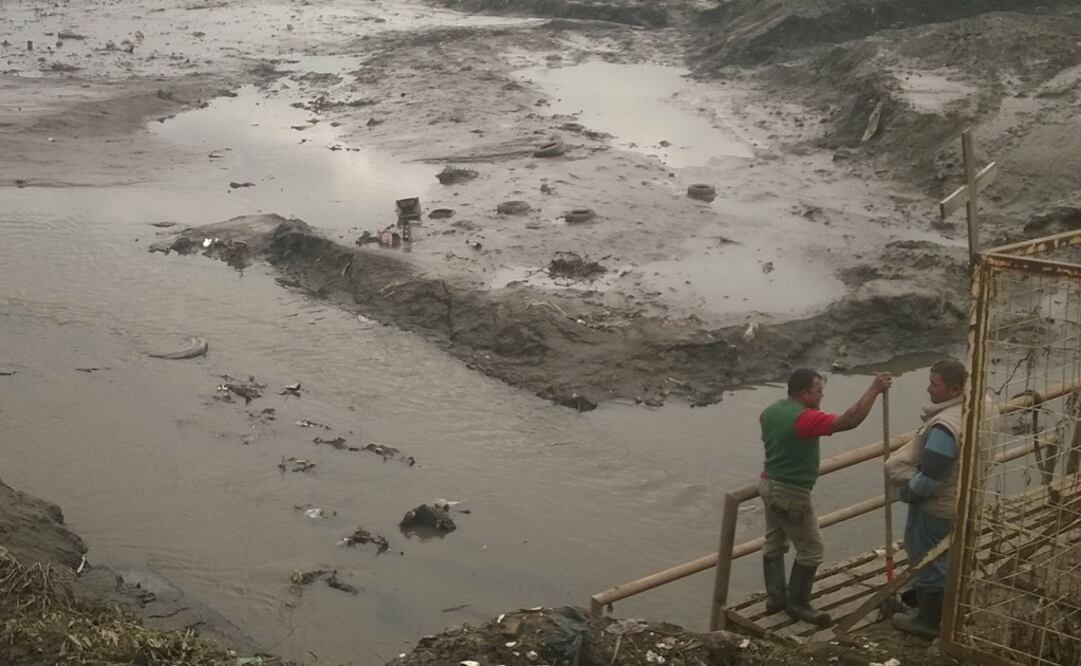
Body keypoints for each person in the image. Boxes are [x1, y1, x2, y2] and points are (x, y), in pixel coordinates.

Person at [759, 368, 893, 625]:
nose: (822, 396)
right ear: (803, 394)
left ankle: (775, 598)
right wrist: (874, 390)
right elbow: (850, 419)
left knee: (775, 541)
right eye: (818, 392)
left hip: (768, 484)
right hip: (791, 491)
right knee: (811, 549)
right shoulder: (806, 419)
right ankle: (798, 604)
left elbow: (770, 438)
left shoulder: (770, 411)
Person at [885, 359, 966, 639]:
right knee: (947, 557)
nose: (928, 389)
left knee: (929, 560)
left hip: (937, 507)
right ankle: (943, 613)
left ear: (954, 388)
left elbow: (930, 479)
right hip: (962, 500)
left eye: (934, 384)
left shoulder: (945, 427)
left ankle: (928, 622)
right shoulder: (980, 405)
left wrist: (905, 493)